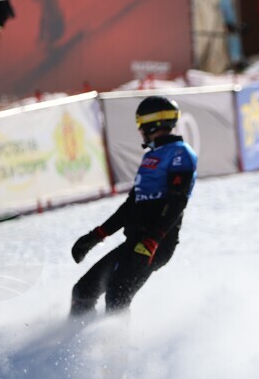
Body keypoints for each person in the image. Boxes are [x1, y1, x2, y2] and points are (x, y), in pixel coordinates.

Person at [69, 96, 197, 315]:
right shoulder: (151, 157)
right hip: (136, 241)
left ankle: (114, 339)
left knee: (117, 295)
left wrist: (153, 240)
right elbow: (131, 205)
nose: (139, 130)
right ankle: (73, 335)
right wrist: (97, 235)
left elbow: (177, 202)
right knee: (83, 291)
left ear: (151, 124)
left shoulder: (180, 153)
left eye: (140, 124)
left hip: (156, 243)